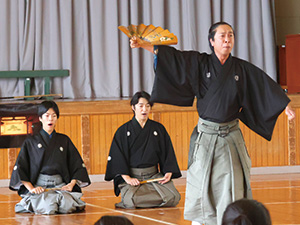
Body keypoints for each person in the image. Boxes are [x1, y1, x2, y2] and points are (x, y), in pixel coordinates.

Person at [130, 22, 295, 224]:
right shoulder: (200, 63)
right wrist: (143, 45)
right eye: (222, 36)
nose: (227, 40)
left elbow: (262, 85)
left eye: (231, 36)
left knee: (231, 184)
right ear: (212, 41)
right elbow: (174, 59)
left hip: (230, 137)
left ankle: (232, 219)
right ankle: (201, 221)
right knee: (201, 182)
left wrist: (282, 105)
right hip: (206, 136)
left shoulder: (241, 68)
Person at [9, 100, 91, 214]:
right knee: (48, 208)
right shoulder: (30, 142)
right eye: (47, 116)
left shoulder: (64, 140)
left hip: (60, 185)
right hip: (40, 186)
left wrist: (71, 184)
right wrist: (32, 188)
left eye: (54, 116)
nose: (50, 119)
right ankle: (33, 202)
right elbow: (21, 168)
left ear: (57, 118)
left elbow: (76, 164)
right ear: (40, 118)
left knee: (67, 207)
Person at [105, 91, 181, 209]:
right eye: (140, 106)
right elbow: (117, 157)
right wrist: (127, 178)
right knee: (131, 200)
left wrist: (168, 172)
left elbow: (167, 152)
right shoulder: (123, 131)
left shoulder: (158, 129)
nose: (144, 109)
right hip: (133, 178)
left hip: (154, 176)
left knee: (173, 197)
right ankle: (136, 199)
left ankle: (145, 200)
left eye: (147, 106)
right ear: (133, 107)